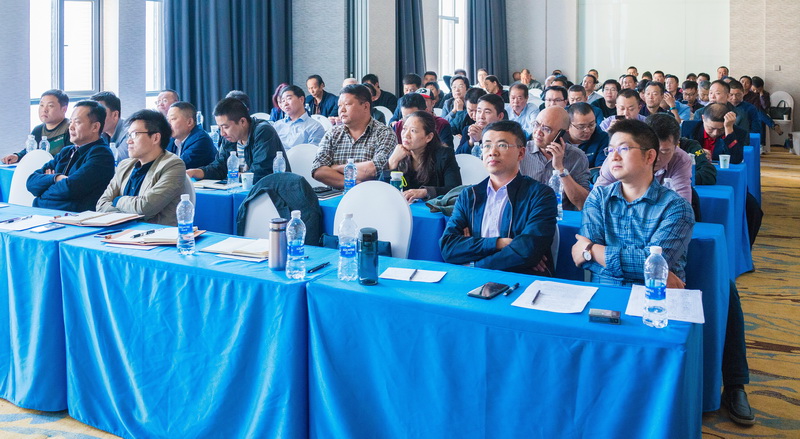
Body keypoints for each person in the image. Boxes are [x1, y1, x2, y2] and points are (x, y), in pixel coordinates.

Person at [572, 118, 694, 287]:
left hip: (653, 295)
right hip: (605, 291)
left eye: (624, 149)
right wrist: (651, 269)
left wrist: (591, 250)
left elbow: (655, 263)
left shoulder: (676, 207)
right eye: (611, 150)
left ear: (649, 156)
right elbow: (586, 262)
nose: (614, 157)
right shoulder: (598, 198)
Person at [440, 120, 557, 275]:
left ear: (521, 153)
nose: (492, 152)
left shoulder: (540, 195)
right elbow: (449, 248)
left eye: (502, 145)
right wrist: (499, 243)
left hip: (521, 280)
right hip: (473, 281)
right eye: (487, 145)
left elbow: (526, 251)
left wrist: (474, 263)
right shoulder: (469, 196)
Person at [97, 109, 186, 225]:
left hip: (153, 233)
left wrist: (117, 200)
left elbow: (145, 207)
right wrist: (127, 214)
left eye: (134, 134)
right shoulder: (125, 165)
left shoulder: (173, 165)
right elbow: (101, 204)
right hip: (121, 230)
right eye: (128, 135)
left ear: (155, 138)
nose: (128, 141)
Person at [26, 100, 115, 211]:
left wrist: (42, 194)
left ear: (95, 127)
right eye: (71, 122)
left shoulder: (101, 154)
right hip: (47, 213)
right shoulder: (66, 151)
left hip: (75, 217)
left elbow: (70, 188)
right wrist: (56, 178)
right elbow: (31, 182)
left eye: (77, 122)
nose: (71, 127)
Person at [311, 84, 396, 189]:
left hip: (371, 194)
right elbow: (317, 170)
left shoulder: (384, 133)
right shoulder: (333, 133)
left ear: (365, 106)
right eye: (339, 106)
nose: (342, 110)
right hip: (336, 195)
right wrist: (354, 184)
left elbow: (374, 169)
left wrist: (334, 168)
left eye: (347, 104)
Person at [187, 97, 288, 184]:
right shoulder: (229, 137)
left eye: (225, 127)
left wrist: (233, 176)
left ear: (242, 121)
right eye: (219, 127)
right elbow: (220, 167)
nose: (222, 133)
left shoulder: (263, 131)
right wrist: (196, 172)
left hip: (268, 194)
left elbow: (260, 173)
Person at [520, 107, 591, 210]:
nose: (538, 132)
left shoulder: (577, 157)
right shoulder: (521, 151)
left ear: (562, 135)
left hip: (560, 216)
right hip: (526, 213)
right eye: (536, 124)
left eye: (546, 129)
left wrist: (560, 169)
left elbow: (583, 204)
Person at [383, 110, 461, 202]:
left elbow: (455, 190)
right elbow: (381, 191)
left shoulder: (444, 155)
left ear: (429, 137)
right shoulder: (398, 154)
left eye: (413, 131)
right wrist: (392, 161)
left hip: (432, 209)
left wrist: (425, 192)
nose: (406, 135)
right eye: (404, 129)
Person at [3, 89, 72, 164]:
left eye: (50, 106)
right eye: (41, 105)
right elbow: (30, 151)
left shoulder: (71, 129)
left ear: (64, 109)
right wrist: (17, 156)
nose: (44, 110)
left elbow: (69, 159)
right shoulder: (38, 130)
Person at [681, 103, 748, 164]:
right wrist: (698, 152)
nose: (715, 133)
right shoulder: (688, 128)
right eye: (711, 128)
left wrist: (728, 129)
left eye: (721, 129)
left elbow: (735, 159)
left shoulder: (738, 133)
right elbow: (679, 151)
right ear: (703, 118)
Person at [272, 85, 326, 149]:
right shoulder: (276, 126)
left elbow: (313, 152)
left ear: (301, 99)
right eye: (283, 101)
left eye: (289, 99)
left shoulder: (315, 127)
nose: (285, 104)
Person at [166, 102, 217, 169]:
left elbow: (176, 167)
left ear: (189, 122)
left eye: (173, 119)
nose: (168, 124)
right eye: (167, 120)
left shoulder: (201, 140)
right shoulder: (172, 139)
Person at [567, 103, 609, 169]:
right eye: (581, 127)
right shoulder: (559, 139)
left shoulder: (603, 138)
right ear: (568, 125)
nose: (587, 130)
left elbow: (601, 169)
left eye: (591, 125)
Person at [90, 91, 129, 160]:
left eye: (100, 113)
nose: (95, 118)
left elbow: (115, 160)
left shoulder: (129, 133)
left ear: (115, 115)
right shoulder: (102, 132)